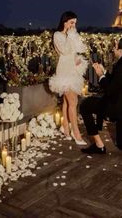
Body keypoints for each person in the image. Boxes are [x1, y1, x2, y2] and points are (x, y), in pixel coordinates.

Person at [49, 11, 87, 145]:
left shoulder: (69, 35)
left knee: (67, 102)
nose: (73, 25)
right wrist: (71, 35)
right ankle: (76, 133)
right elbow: (64, 51)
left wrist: (77, 59)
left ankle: (66, 128)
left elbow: (76, 50)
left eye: (75, 23)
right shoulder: (58, 35)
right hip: (65, 72)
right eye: (71, 22)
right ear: (65, 22)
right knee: (73, 103)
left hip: (72, 70)